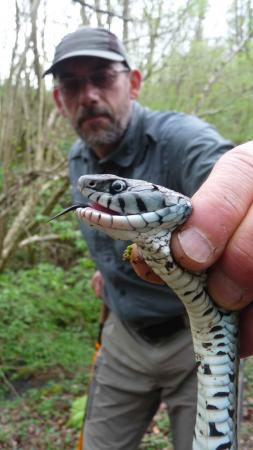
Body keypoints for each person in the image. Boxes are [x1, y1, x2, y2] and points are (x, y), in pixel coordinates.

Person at [44, 26, 253, 450]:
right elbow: (110, 227)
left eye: (102, 77)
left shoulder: (181, 139)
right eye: (71, 84)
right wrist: (109, 276)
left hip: (193, 338)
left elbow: (227, 174)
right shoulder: (79, 158)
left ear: (133, 83)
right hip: (123, 337)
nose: (88, 95)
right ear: (58, 99)